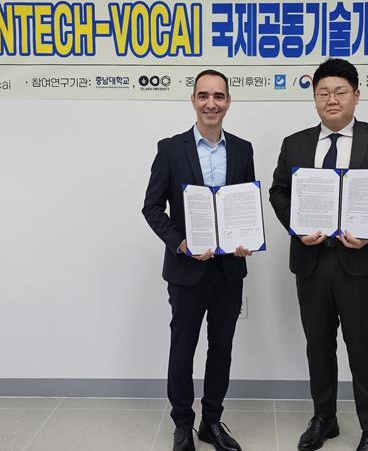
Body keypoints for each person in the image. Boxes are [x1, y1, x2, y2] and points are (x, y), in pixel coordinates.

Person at [269, 58, 368, 451]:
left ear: (356, 95)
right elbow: (278, 191)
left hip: (360, 262)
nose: (331, 100)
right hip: (311, 260)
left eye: (340, 92)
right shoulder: (295, 143)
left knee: (362, 346)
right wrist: (297, 227)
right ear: (314, 97)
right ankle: (324, 418)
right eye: (323, 93)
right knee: (318, 345)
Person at [142, 69, 255, 451]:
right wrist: (181, 243)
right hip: (186, 270)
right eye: (204, 95)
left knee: (221, 349)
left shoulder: (243, 149)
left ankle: (211, 422)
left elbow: (245, 204)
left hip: (229, 270)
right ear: (193, 100)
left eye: (218, 96)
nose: (211, 103)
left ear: (228, 102)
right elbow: (152, 207)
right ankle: (182, 424)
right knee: (183, 349)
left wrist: (246, 237)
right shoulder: (170, 149)